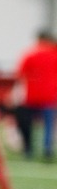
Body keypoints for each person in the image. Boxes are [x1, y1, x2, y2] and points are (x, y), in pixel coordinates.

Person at [13, 29, 57, 161]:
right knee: (49, 123)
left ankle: (28, 149)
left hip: (32, 94)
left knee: (28, 122)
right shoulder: (54, 54)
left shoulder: (30, 54)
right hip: (51, 94)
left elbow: (19, 73)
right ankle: (47, 149)